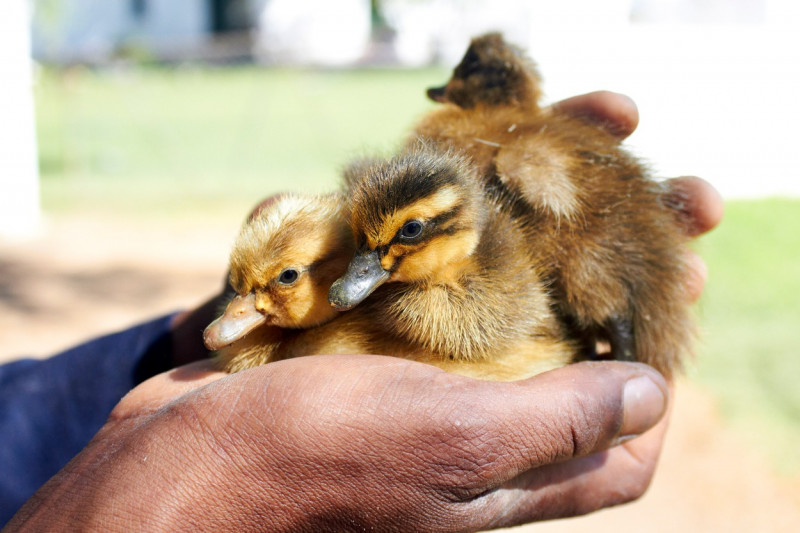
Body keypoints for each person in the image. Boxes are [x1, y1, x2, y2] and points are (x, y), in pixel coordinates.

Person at [1, 91, 723, 532]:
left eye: (276, 280)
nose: (357, 283)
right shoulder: (370, 286)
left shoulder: (445, 287)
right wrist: (202, 475)